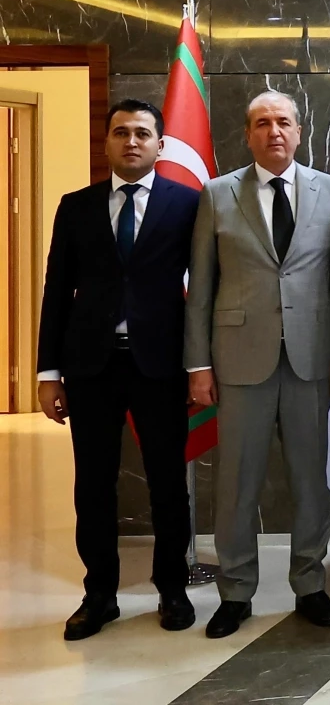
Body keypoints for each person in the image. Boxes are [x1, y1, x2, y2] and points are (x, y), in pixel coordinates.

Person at [185, 90, 330, 639]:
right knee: (237, 483)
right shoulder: (217, 193)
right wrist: (198, 366)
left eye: (283, 121)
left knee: (310, 479)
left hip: (311, 357)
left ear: (299, 131)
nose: (273, 131)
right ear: (247, 134)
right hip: (238, 361)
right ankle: (235, 591)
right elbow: (201, 288)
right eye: (262, 123)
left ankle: (310, 583)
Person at [37, 100, 200, 639]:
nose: (131, 141)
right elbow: (56, 292)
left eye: (142, 133)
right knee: (93, 485)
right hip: (91, 367)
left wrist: (201, 364)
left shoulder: (188, 204)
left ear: (159, 145)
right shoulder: (76, 206)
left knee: (167, 483)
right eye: (121, 132)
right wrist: (47, 373)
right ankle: (99, 594)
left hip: (161, 364)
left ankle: (172, 588)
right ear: (106, 142)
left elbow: (204, 289)